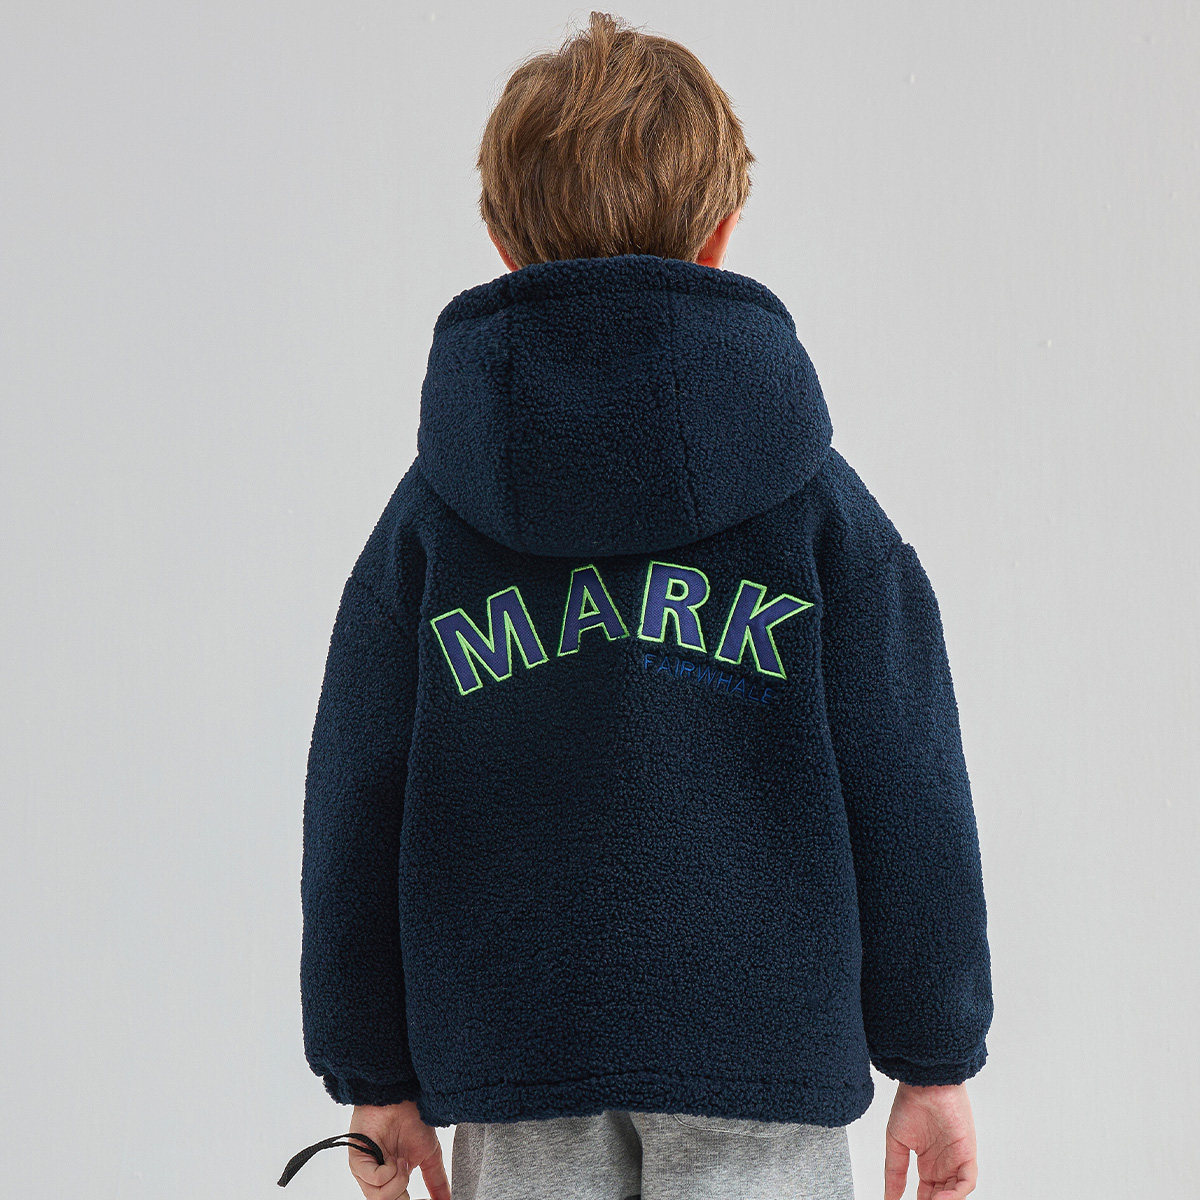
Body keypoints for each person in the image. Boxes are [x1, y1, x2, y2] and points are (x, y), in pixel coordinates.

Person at [294, 12, 993, 1200]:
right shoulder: (819, 507)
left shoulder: (430, 521)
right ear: (720, 234)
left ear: (502, 244)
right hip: (762, 1050)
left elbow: (355, 799)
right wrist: (934, 1056)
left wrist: (375, 1074)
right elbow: (909, 779)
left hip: (517, 1054)